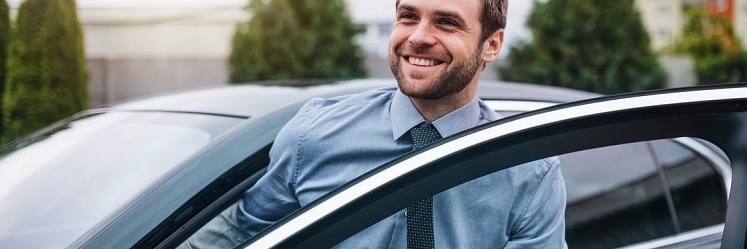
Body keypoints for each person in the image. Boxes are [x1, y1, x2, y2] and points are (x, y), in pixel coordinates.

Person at [181, 0, 567, 248]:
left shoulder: (528, 172)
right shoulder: (313, 135)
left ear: (492, 44)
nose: (418, 37)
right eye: (408, 17)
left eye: (446, 23)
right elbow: (235, 238)